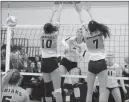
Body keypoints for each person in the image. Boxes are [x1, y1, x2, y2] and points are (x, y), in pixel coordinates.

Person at [75, 3, 111, 102]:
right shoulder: (101, 35)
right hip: (101, 63)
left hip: (91, 65)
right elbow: (95, 24)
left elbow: (82, 23)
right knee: (102, 91)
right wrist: (90, 11)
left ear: (89, 29)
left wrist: (79, 12)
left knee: (89, 92)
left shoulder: (86, 37)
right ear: (97, 28)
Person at [40, 3, 63, 102]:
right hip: (53, 62)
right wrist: (59, 11)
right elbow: (57, 23)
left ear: (44, 29)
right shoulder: (55, 35)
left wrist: (52, 11)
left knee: (47, 88)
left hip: (44, 62)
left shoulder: (41, 35)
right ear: (51, 29)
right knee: (57, 89)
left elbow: (48, 24)